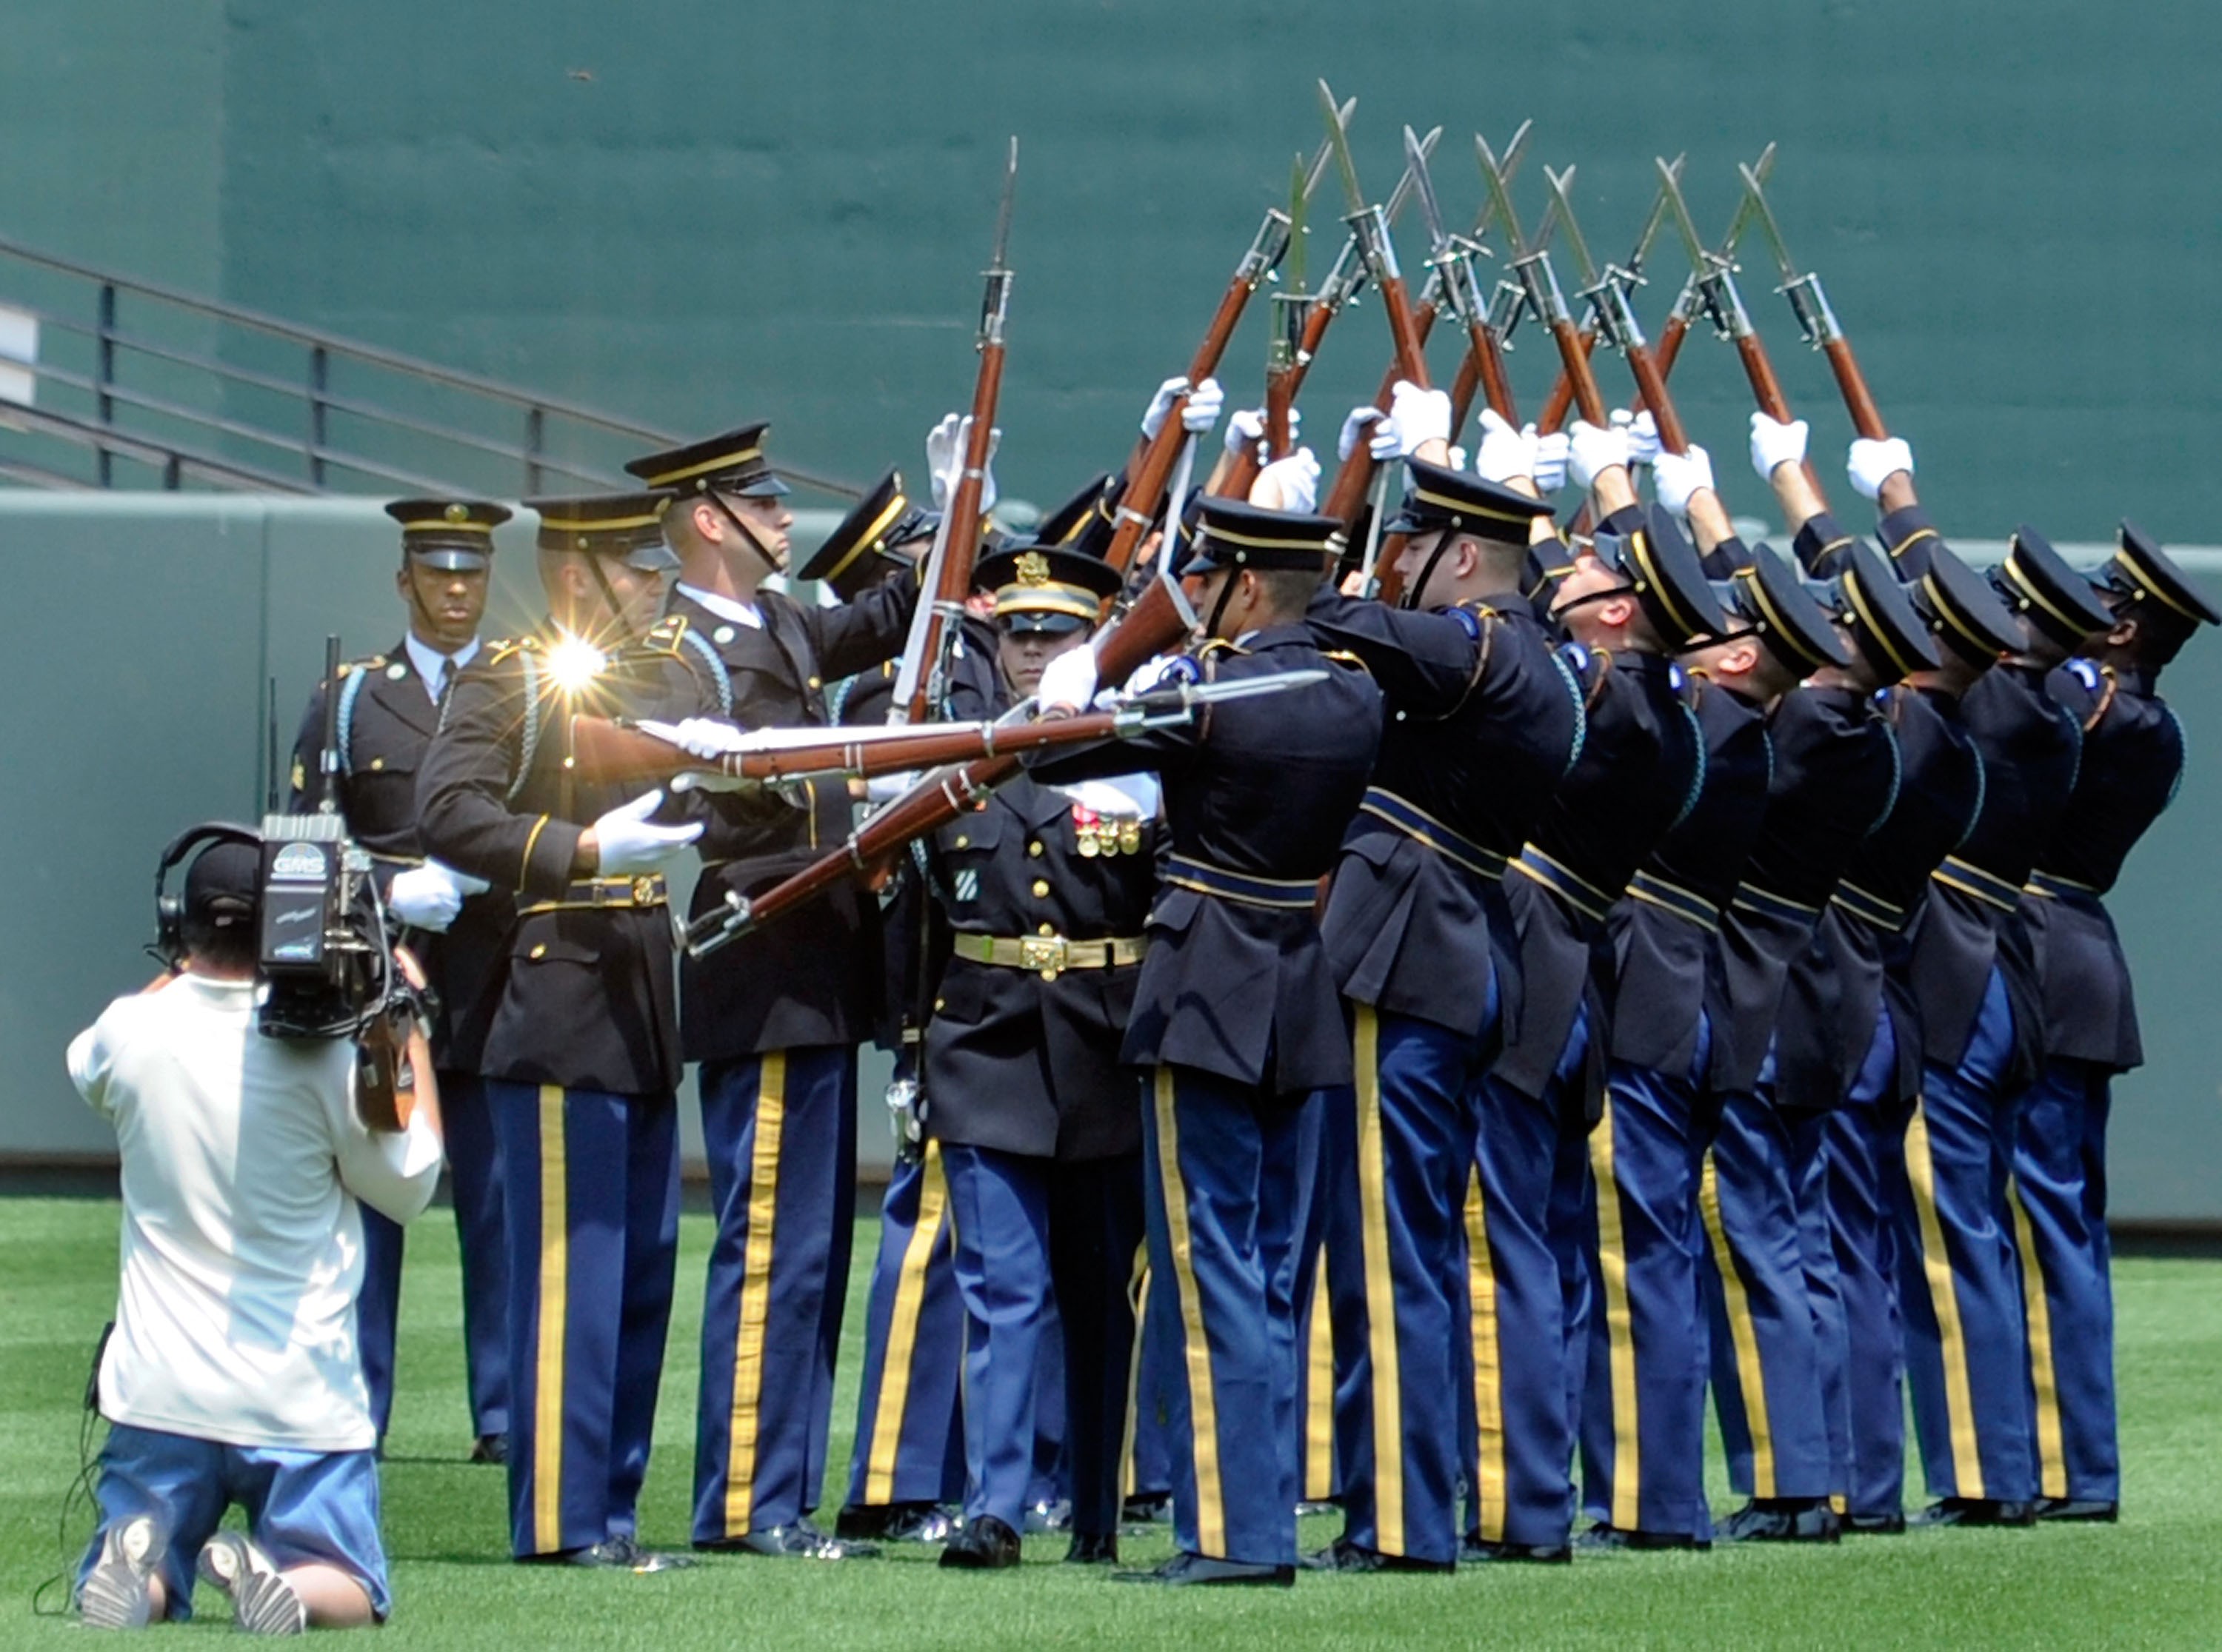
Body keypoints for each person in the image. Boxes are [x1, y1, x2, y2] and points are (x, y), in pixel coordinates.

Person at [1030, 497, 1383, 1585]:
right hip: (1296, 984)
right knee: (1270, 1269)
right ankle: (1260, 1519)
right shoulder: (1355, 693)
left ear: (1237, 583)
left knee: (1207, 1266)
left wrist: (1084, 670)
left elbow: (1054, 761)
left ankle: (1230, 1535)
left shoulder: (1208, 691)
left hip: (1204, 989)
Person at [620, 423, 923, 1560]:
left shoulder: (785, 622)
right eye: (767, 501)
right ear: (712, 518)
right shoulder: (671, 646)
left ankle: (778, 1490)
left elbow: (897, 614)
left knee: (814, 1245)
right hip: (763, 947)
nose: (789, 518)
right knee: (773, 1241)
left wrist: (956, 507)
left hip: (821, 953)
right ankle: (746, 1499)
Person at [417, 491, 721, 1570]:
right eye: (637, 568)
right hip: (555, 996)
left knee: (640, 1269)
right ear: (578, 575)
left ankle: (614, 1509)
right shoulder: (515, 672)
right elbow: (447, 808)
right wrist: (582, 850)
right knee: (570, 1274)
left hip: (637, 991)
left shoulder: (662, 678)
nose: (659, 582)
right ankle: (556, 1519)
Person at [1299, 425, 1578, 1574]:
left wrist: (1311, 559)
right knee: (1404, 1245)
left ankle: (1403, 1519)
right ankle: (1405, 1498)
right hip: (1449, 953)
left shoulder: (1487, 647)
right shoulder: (1544, 655)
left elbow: (1341, 622)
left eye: (1416, 542)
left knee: (1389, 1250)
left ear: (1462, 559)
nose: (1399, 562)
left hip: (1410, 956)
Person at [70, 830, 444, 1631]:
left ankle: (139, 1573)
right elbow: (411, 1184)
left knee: (150, 1565)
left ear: (180, 922)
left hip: (158, 1392)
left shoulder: (128, 1032)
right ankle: (281, 1578)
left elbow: (98, 1052)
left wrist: (188, 963)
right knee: (352, 1585)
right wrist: (402, 1020)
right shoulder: (326, 1057)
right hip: (298, 1394)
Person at [1473, 421, 1720, 1561]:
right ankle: (1616, 1492)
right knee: (1567, 1249)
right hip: (1576, 973)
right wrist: (1602, 495)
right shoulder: (1669, 713)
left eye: (1589, 568)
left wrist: (1511, 500)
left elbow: (1508, 643)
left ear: (1617, 611)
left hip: (1532, 968)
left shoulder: (1603, 698)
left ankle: (1516, 1498)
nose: (1566, 569)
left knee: (1513, 1243)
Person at [1689, 447, 1936, 1545]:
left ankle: (1793, 1481)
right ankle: (1852, 1479)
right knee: (1823, 1248)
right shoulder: (1873, 736)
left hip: (1762, 1000)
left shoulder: (1786, 735)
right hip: (1829, 996)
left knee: (1761, 1240)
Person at [1862, 442, 2112, 1526]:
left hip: (1958, 983)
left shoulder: (1997, 709)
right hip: (2004, 974)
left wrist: (1890, 497)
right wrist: (1886, 498)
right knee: (1992, 1229)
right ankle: (2052, 1468)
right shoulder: (2049, 712)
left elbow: (1918, 592)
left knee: (1949, 1227)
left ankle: (1980, 1468)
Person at [924, 544, 1161, 1570]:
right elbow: (915, 921)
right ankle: (999, 1505)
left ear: (1090, 641)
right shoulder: (954, 752)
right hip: (985, 1039)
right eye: (1016, 633)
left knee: (1101, 1287)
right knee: (1003, 1287)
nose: (1031, 652)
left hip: (1105, 1042)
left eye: (1054, 634)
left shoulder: (1137, 750)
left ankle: (1099, 1508)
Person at [287, 498, 513, 1463]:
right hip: (385, 993)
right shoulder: (350, 697)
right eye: (439, 572)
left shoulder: (527, 691)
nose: (457, 590)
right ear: (406, 579)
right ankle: (359, 1401)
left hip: (498, 982)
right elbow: (301, 853)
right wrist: (391, 886)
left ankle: (504, 1409)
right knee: (375, 1202)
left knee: (502, 1207)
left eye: (472, 572)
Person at [2007, 524, 2215, 1522]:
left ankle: (2064, 1467)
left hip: (2038, 955)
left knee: (2045, 1220)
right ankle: (2073, 1460)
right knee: (2066, 1221)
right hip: (2080, 953)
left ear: (2121, 627)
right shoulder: (2151, 723)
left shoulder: (2085, 704)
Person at [807, 470, 970, 1548]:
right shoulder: (883, 706)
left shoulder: (964, 681)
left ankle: (955, 1466)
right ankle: (892, 1475)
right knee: (930, 1241)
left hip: (1001, 989)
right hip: (944, 1000)